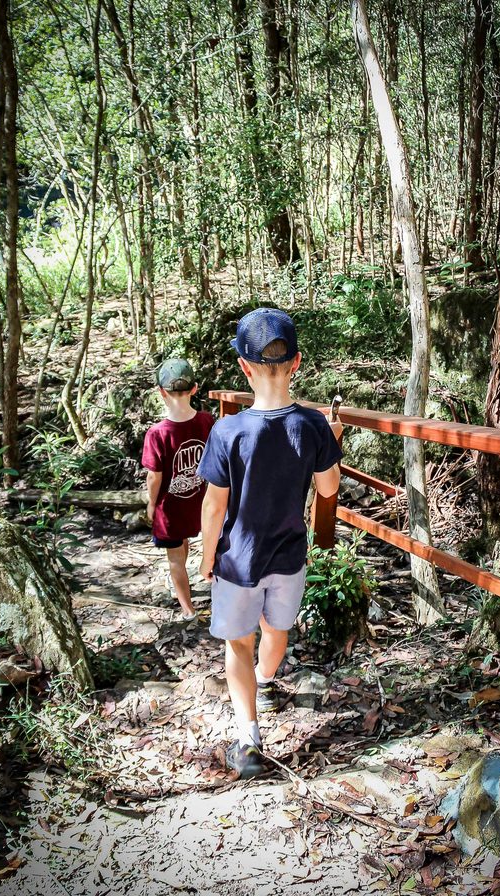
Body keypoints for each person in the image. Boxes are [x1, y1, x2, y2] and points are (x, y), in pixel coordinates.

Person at [198, 308, 343, 778]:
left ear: (244, 367)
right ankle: (264, 679)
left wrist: (205, 558)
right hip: (289, 557)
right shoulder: (315, 426)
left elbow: (214, 507)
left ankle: (248, 737)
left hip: (238, 562)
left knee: (238, 644)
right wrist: (332, 442)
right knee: (276, 632)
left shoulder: (227, 431)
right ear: (297, 363)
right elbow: (326, 489)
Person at [142, 358, 214, 621]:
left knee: (175, 559)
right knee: (203, 543)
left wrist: (151, 503)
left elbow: (154, 476)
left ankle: (188, 610)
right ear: (194, 389)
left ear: (161, 392)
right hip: (202, 502)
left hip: (170, 508)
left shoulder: (157, 433)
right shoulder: (207, 421)